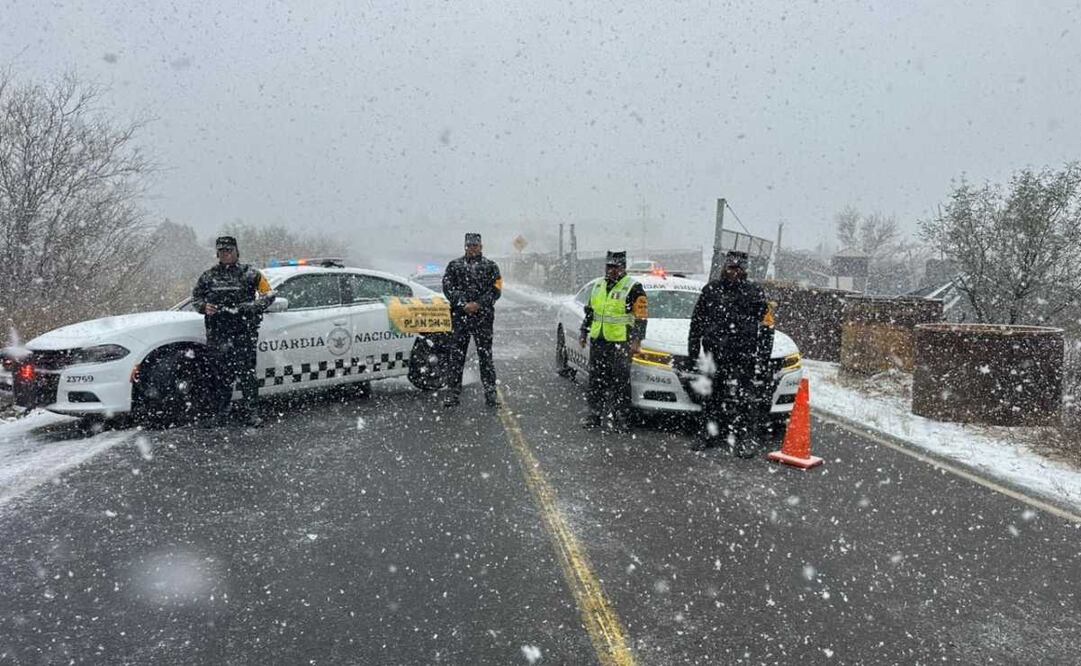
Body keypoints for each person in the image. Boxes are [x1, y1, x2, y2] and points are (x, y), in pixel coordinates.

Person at [687, 250, 769, 453]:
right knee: (711, 397)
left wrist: (763, 357)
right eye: (731, 267)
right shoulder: (711, 290)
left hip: (743, 355)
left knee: (744, 399)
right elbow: (697, 322)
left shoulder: (755, 293)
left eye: (738, 268)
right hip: (715, 354)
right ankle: (707, 435)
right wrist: (693, 351)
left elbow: (767, 328)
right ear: (724, 267)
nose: (734, 272)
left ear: (744, 271)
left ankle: (743, 440)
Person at [191, 236, 275, 427]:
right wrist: (204, 307)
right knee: (220, 376)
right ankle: (221, 413)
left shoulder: (252, 273)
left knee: (247, 374)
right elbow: (196, 297)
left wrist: (253, 306)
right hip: (217, 333)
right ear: (217, 254)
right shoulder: (208, 276)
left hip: (244, 332)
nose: (226, 254)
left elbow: (269, 295)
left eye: (229, 251)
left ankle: (251, 413)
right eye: (222, 252)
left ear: (237, 252)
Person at [579, 251, 648, 432]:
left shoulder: (634, 287)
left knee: (620, 382)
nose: (611, 270)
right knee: (596, 380)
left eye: (615, 267)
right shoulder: (598, 285)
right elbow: (590, 312)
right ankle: (594, 415)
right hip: (599, 340)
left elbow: (641, 317)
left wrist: (636, 341)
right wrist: (583, 332)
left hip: (621, 342)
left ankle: (621, 418)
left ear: (623, 268)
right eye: (609, 267)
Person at [441, 232, 503, 408]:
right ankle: (453, 394)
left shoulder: (491, 267)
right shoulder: (454, 266)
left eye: (475, 245)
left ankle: (490, 394)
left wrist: (479, 304)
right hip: (460, 318)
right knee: (456, 357)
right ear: (465, 247)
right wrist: (463, 304)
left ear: (481, 247)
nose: (472, 249)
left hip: (483, 318)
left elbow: (496, 290)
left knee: (485, 357)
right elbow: (447, 287)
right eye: (469, 246)